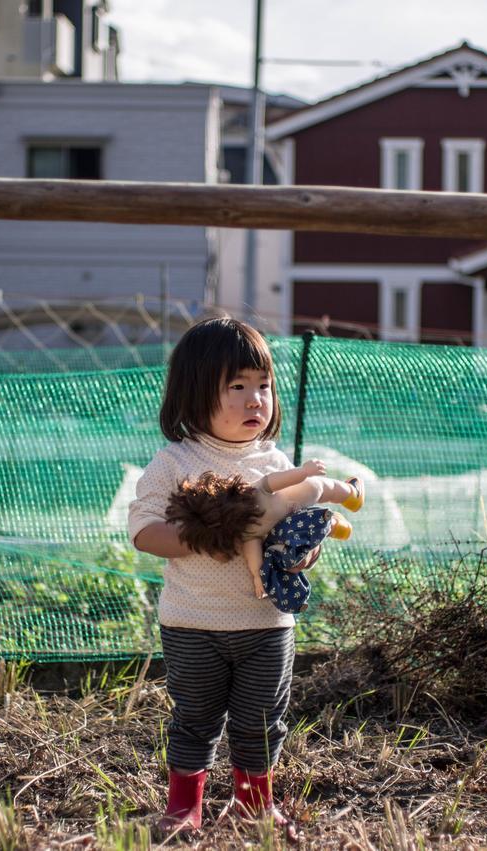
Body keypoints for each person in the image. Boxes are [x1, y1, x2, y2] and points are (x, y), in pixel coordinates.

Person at [128, 315, 315, 841]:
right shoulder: (174, 463)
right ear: (194, 393)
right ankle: (184, 805)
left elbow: (295, 531)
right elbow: (144, 533)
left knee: (261, 723)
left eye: (264, 385)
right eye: (237, 386)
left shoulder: (277, 464)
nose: (256, 399)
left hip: (266, 623)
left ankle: (254, 805)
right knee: (195, 719)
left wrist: (303, 554)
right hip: (192, 624)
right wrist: (217, 530)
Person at [163, 459, 365, 613]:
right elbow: (255, 561)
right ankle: (335, 523)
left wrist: (304, 472)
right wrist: (259, 579)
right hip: (294, 522)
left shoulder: (253, 493)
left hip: (305, 494)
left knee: (325, 487)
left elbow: (275, 480)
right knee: (313, 519)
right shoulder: (246, 533)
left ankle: (351, 494)